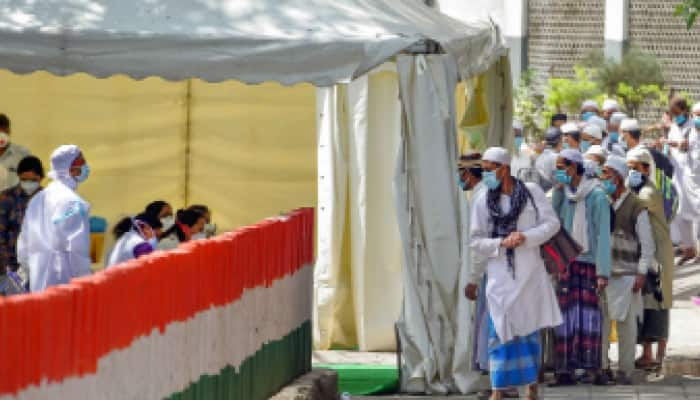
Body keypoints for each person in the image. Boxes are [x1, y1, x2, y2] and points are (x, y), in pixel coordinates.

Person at [470, 147, 562, 400]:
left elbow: (552, 224)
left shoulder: (531, 192)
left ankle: (531, 387)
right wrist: (500, 243)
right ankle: (498, 390)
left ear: (504, 168)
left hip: (530, 274)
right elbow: (476, 240)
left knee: (529, 332)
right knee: (498, 331)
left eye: (490, 169)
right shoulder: (483, 200)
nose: (486, 174)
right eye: (484, 170)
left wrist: (526, 237)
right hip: (500, 276)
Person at [550, 149, 611, 385]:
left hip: (589, 263)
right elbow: (553, 224)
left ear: (574, 167)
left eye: (561, 167)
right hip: (566, 262)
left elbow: (602, 235)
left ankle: (592, 368)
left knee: (589, 317)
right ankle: (564, 370)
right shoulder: (562, 194)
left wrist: (602, 272)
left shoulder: (597, 196)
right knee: (564, 317)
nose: (558, 172)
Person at [599, 155, 655, 385]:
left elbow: (647, 243)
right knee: (602, 324)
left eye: (607, 174)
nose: (604, 179)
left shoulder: (635, 205)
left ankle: (625, 370)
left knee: (626, 325)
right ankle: (602, 368)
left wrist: (641, 272)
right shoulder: (602, 201)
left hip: (628, 274)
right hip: (604, 272)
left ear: (619, 178)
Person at [17, 145, 92, 292]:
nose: (85, 166)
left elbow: (23, 244)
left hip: (37, 280)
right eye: (81, 162)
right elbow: (77, 248)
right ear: (71, 168)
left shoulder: (38, 198)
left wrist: (29, 269)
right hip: (64, 281)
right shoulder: (73, 203)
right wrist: (86, 280)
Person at [626, 148, 674, 372]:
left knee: (659, 301)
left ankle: (659, 355)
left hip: (659, 254)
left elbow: (630, 207)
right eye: (628, 168)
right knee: (647, 302)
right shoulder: (638, 189)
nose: (631, 172)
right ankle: (647, 354)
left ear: (646, 169)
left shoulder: (647, 193)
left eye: (635, 168)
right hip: (648, 252)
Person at [0, 156, 44, 294]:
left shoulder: (48, 198)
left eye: (33, 180)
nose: (28, 183)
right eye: (24, 179)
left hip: (41, 267)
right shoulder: (6, 198)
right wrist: (9, 269)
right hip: (10, 268)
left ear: (41, 178)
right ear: (18, 176)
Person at [665, 97, 700, 264]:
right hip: (679, 177)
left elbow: (693, 149)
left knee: (698, 212)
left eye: (677, 113)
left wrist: (685, 146)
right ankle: (689, 249)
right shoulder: (674, 127)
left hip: (695, 178)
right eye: (673, 114)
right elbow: (674, 150)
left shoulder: (694, 126)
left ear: (685, 111)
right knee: (679, 213)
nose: (675, 117)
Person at [0, 114, 32, 191]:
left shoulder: (23, 154)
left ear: (9, 131)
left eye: (3, 131)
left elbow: (31, 182)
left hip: (14, 201)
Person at [535, 127, 563, 192]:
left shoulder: (540, 156)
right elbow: (563, 182)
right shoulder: (557, 158)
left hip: (541, 193)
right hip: (551, 195)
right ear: (559, 142)